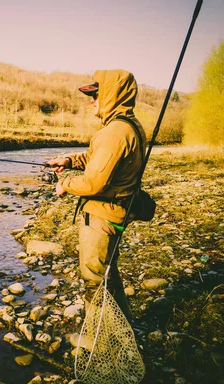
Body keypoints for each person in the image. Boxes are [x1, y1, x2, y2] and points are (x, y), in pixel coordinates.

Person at [46, 69, 146, 321]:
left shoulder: (113, 133)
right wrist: (68, 161)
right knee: (108, 275)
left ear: (112, 95)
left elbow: (93, 183)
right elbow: (95, 160)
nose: (91, 100)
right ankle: (123, 329)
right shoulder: (125, 126)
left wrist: (65, 184)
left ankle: (102, 341)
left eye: (96, 95)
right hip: (115, 213)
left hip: (102, 217)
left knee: (95, 281)